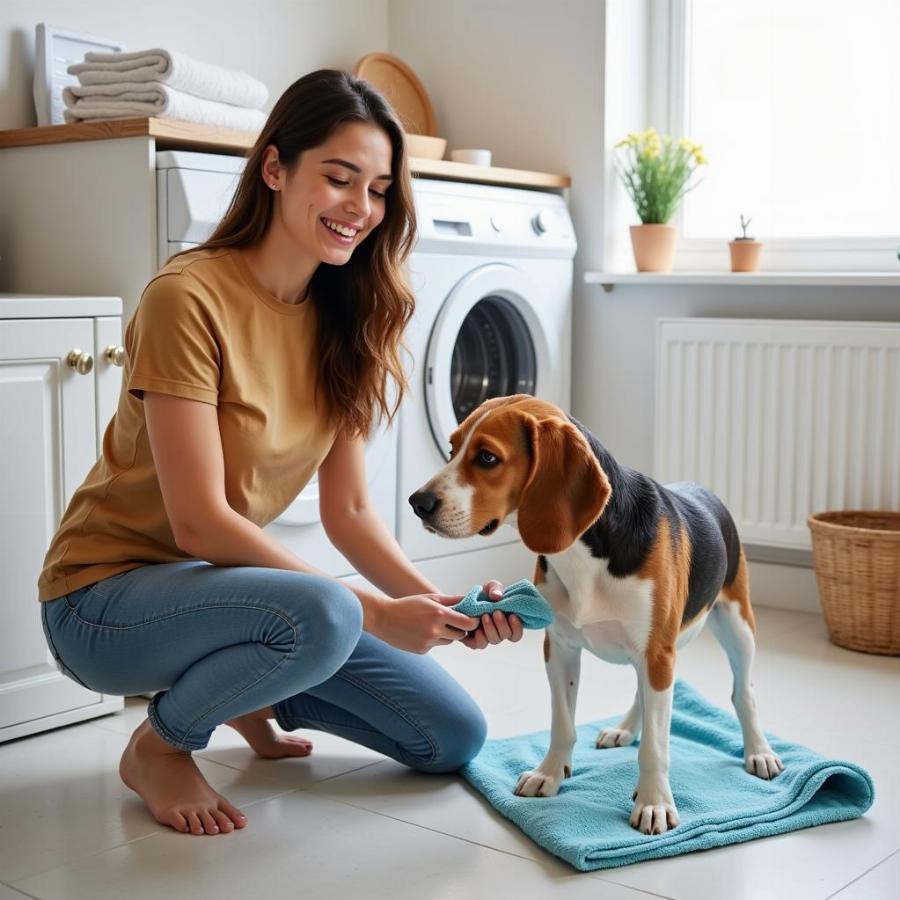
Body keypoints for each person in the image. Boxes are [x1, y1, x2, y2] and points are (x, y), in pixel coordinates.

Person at [37, 69, 524, 838]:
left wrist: (440, 609)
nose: (360, 208)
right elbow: (200, 523)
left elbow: (352, 511)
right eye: (339, 178)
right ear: (274, 169)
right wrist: (371, 614)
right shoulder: (187, 297)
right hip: (103, 603)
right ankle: (160, 746)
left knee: (449, 737)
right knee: (330, 610)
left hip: (232, 601)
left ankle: (248, 691)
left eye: (379, 189)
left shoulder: (351, 318)